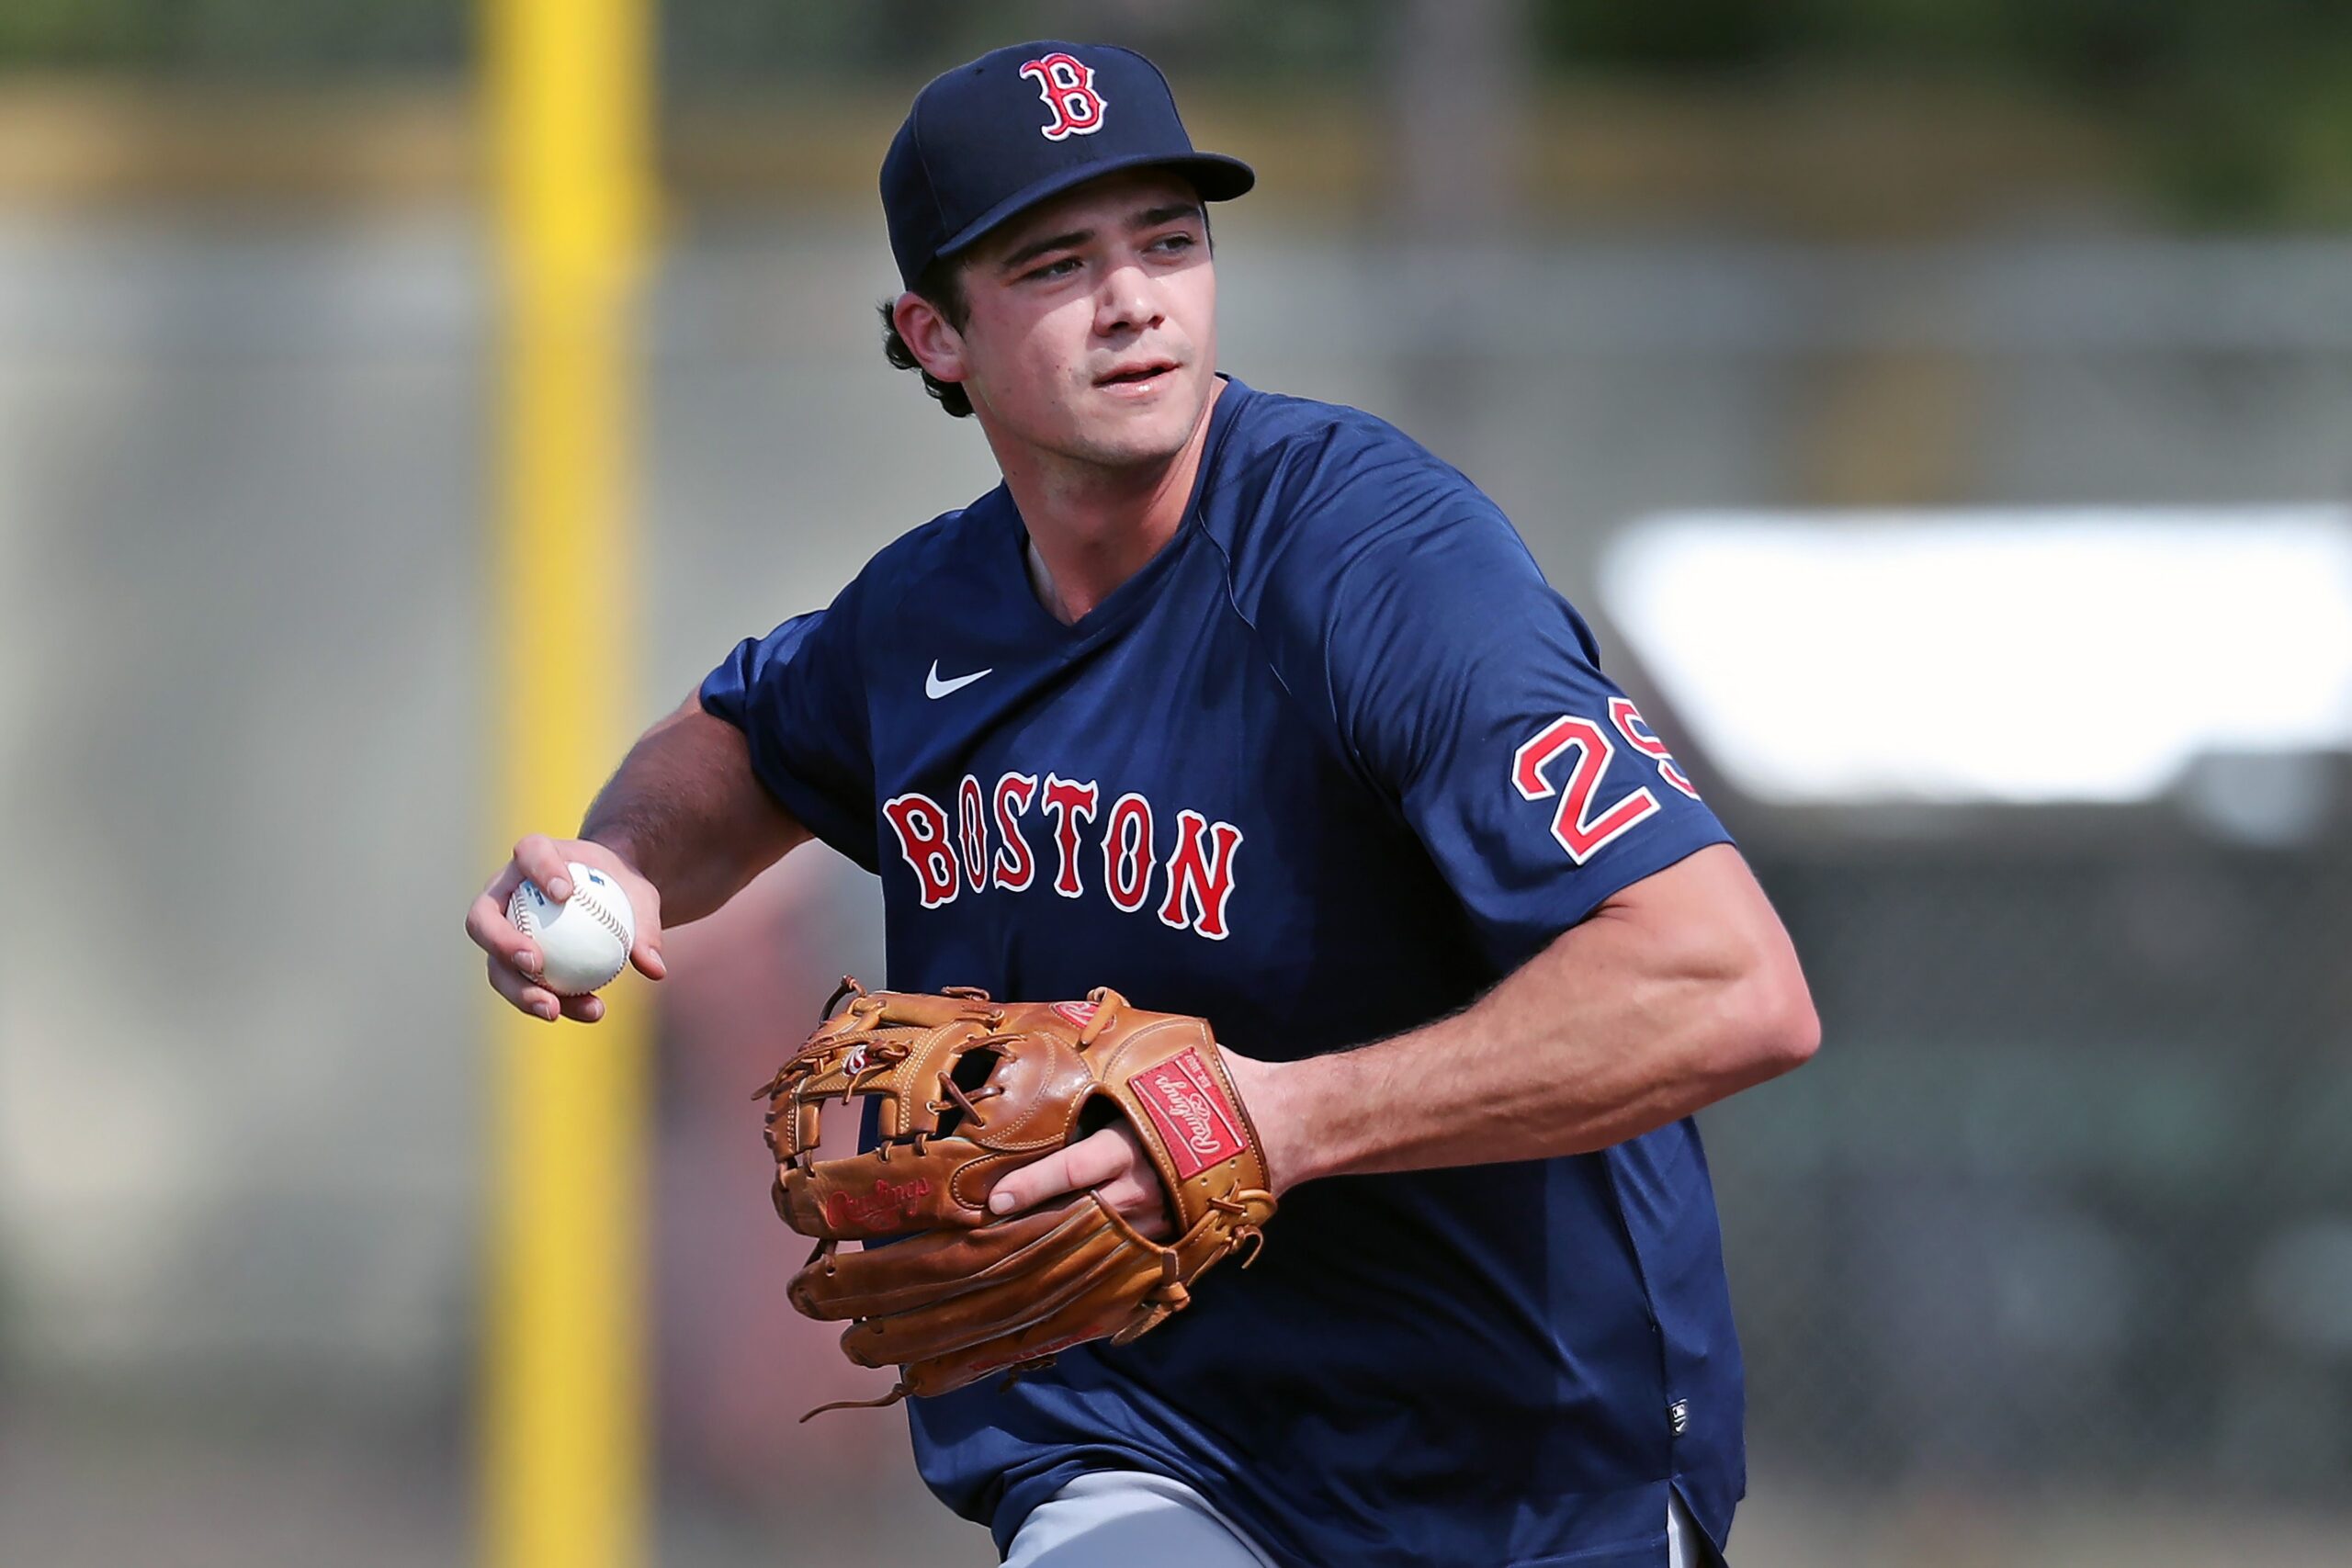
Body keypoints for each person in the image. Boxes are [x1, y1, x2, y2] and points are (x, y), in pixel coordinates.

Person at [465, 39, 1817, 1568]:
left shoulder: (1379, 570)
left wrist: (1280, 1116)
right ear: (937, 333)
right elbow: (739, 736)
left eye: (1169, 240)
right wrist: (629, 867)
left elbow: (1729, 985)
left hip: (1517, 1464)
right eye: (1056, 262)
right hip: (1136, 1435)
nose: (1136, 301)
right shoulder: (925, 619)